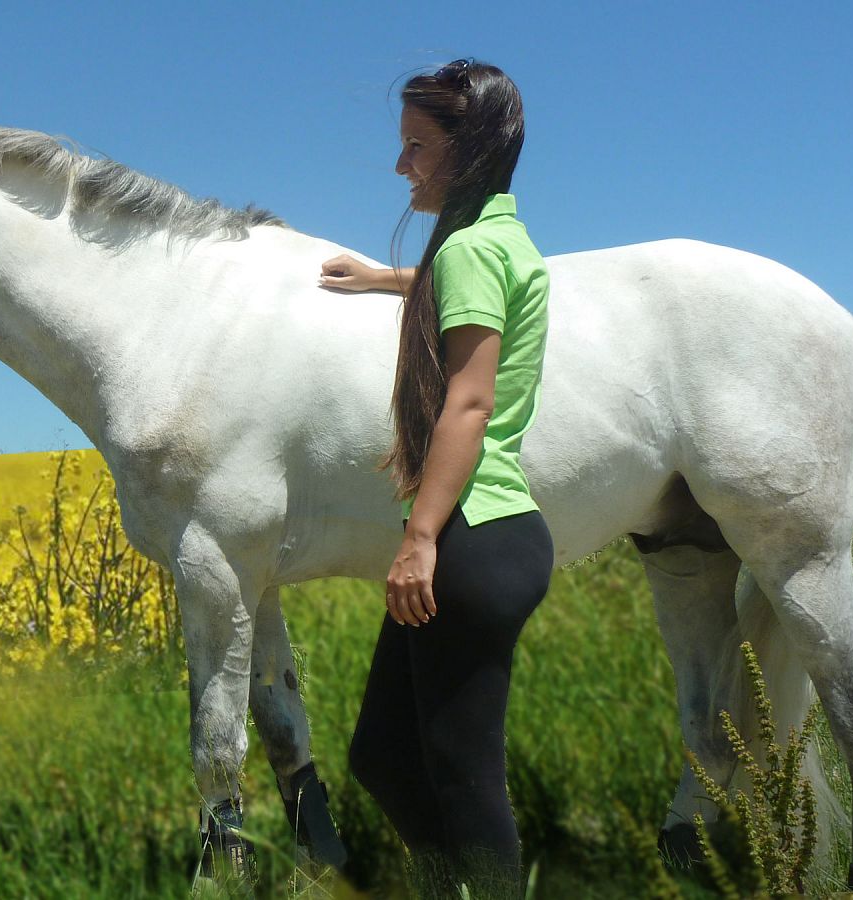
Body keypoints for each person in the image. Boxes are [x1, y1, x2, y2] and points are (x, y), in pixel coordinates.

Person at [321, 59, 554, 896]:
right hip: (497, 534)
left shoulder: (470, 252)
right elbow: (461, 293)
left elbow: (469, 402)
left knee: (464, 778)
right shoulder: (499, 241)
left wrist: (419, 537)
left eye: (417, 147)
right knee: (381, 754)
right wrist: (386, 278)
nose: (401, 167)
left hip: (470, 540)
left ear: (470, 148)